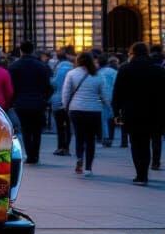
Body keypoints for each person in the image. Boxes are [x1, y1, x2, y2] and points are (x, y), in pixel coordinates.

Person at [112, 41, 165, 185]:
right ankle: (145, 174)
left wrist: (116, 112)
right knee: (147, 143)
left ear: (132, 53)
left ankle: (140, 175)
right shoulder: (158, 70)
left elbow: (117, 93)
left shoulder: (125, 69)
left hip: (132, 112)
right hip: (153, 113)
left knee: (136, 144)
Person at [62, 52, 111, 177]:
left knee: (79, 136)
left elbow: (66, 93)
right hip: (93, 110)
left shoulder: (71, 74)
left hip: (76, 109)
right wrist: (109, 106)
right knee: (90, 139)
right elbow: (105, 95)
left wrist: (65, 106)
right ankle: (88, 167)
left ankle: (79, 158)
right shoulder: (98, 75)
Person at [9, 41, 52, 165]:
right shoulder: (41, 66)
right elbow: (48, 86)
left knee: (26, 129)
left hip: (21, 102)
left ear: (21, 50)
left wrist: (13, 100)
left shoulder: (14, 66)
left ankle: (30, 155)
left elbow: (12, 87)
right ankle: (35, 154)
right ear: (33, 50)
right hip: (38, 101)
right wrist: (44, 98)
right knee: (37, 130)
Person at [50, 50, 74, 155]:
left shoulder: (58, 68)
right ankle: (67, 147)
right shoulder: (73, 68)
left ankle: (60, 146)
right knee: (68, 125)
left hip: (58, 100)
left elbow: (54, 84)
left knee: (59, 126)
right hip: (70, 102)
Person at [98, 56, 119, 147]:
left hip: (102, 97)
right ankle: (111, 136)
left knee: (104, 119)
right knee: (112, 118)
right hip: (113, 96)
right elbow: (117, 84)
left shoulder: (98, 73)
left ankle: (106, 137)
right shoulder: (114, 72)